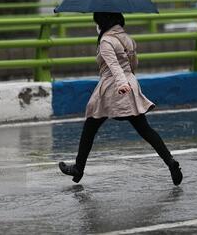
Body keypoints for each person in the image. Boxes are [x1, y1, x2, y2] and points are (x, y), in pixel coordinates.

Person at [59, 12, 183, 186]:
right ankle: (170, 162)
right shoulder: (128, 39)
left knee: (90, 126)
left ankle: (79, 168)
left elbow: (114, 66)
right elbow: (133, 65)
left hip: (113, 87)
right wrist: (128, 81)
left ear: (102, 22)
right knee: (145, 129)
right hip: (129, 84)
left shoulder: (106, 41)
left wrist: (121, 83)